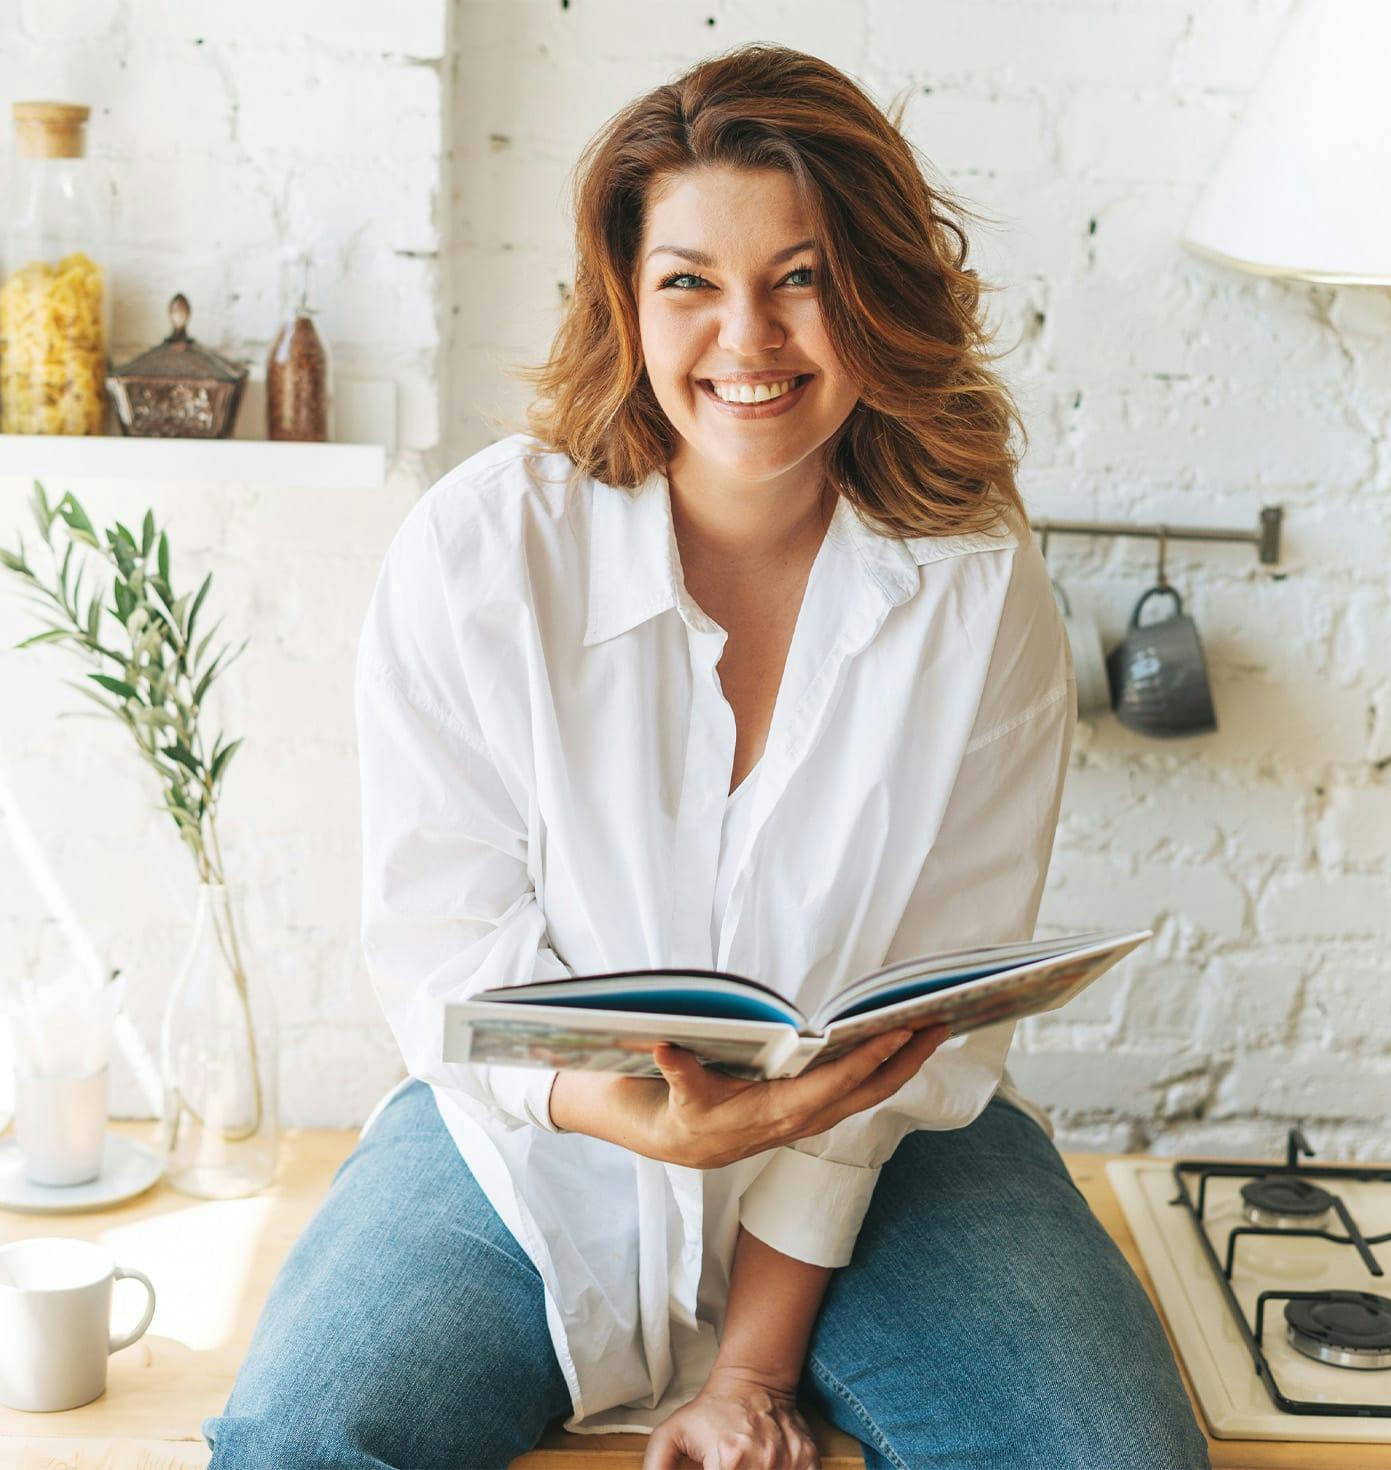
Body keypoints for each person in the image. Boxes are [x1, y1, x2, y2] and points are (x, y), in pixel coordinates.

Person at [202, 43, 1208, 1470]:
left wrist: (749, 1365)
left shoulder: (977, 584)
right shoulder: (485, 548)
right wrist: (622, 1112)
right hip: (531, 1142)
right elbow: (439, 948)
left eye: (800, 276)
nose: (749, 338)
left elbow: (933, 1007)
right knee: (299, 1440)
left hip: (883, 1135)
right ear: (625, 293)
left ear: (875, 286)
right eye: (689, 280)